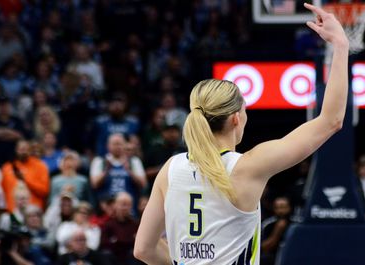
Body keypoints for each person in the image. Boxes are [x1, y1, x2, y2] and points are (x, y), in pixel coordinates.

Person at [134, 4, 349, 264]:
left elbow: (144, 249)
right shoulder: (246, 167)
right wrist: (340, 46)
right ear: (237, 118)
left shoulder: (170, 169)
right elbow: (331, 121)